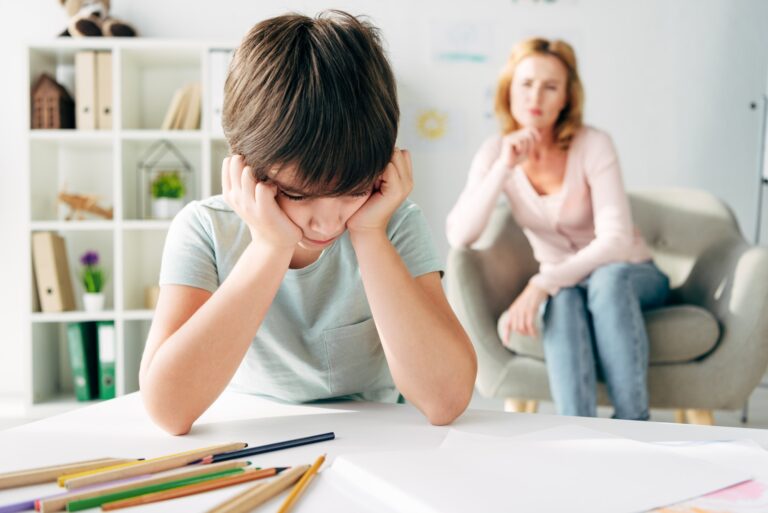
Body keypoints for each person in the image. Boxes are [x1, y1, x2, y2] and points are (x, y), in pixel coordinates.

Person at [139, 11, 477, 435]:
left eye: (354, 190)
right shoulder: (206, 229)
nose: (328, 220)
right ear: (245, 167)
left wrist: (370, 236)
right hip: (250, 436)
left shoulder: (392, 224)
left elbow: (445, 401)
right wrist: (269, 247)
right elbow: (169, 410)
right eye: (298, 195)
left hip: (376, 440)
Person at [446, 38, 668, 420]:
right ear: (509, 89)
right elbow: (460, 236)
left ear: (567, 97)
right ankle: (577, 431)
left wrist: (541, 283)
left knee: (605, 281)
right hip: (566, 285)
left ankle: (634, 423)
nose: (537, 96)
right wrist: (504, 167)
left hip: (632, 274)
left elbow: (615, 241)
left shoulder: (594, 144)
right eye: (526, 83)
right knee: (563, 300)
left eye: (551, 87)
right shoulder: (495, 152)